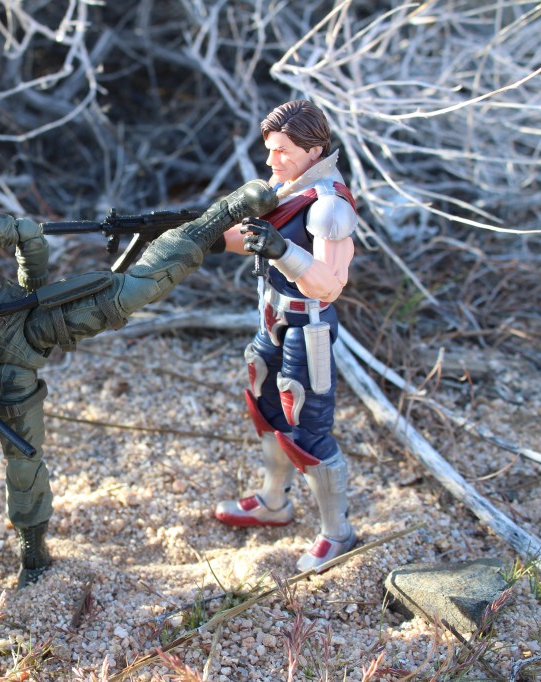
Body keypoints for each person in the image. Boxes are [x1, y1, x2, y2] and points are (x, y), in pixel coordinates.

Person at [0, 179, 277, 587]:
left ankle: (225, 213)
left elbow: (24, 232)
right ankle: (34, 555)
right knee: (22, 458)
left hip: (28, 318)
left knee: (134, 290)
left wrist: (33, 288)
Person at [213, 100, 359, 573]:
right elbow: (246, 238)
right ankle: (273, 501)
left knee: (309, 429)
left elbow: (328, 285)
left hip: (308, 325)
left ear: (313, 150)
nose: (272, 159)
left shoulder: (329, 206)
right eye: (270, 149)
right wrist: (196, 235)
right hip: (271, 317)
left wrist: (282, 251)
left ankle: (337, 533)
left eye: (282, 150)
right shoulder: (285, 186)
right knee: (266, 408)